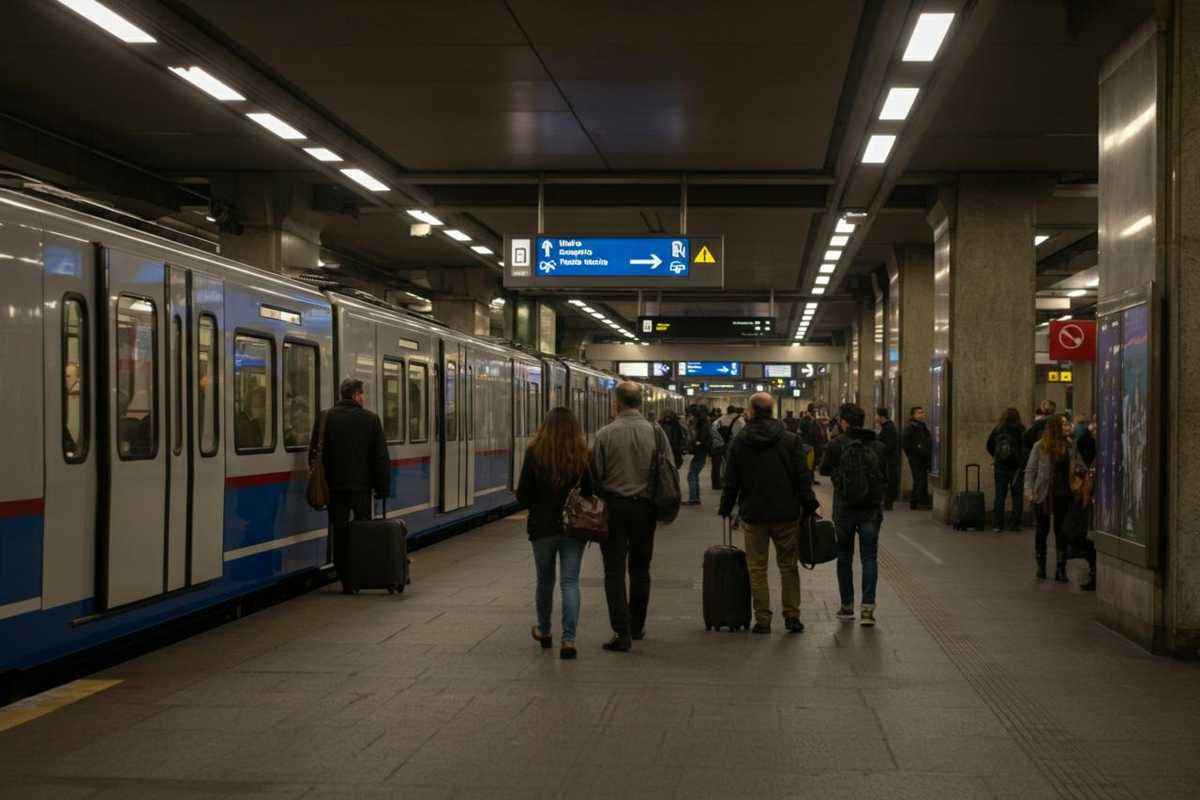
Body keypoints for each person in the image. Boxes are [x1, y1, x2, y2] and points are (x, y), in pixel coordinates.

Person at [719, 393, 819, 634]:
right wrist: (810, 505)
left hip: (754, 514)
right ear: (772, 411)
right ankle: (792, 616)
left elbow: (731, 480)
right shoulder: (790, 439)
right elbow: (802, 478)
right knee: (788, 566)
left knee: (757, 568)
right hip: (786, 513)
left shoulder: (740, 441)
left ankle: (762, 619)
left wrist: (726, 508)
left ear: (751, 411)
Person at [592, 382, 669, 652]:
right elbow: (669, 467)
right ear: (640, 403)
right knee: (640, 569)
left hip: (614, 508)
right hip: (645, 509)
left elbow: (596, 474)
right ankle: (637, 626)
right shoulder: (656, 432)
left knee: (613, 571)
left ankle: (621, 632)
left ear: (617, 404)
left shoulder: (604, 434)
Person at [516, 406, 593, 660]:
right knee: (570, 582)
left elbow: (523, 495)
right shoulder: (582, 454)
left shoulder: (534, 453)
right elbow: (590, 492)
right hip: (574, 528)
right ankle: (569, 640)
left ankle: (545, 631)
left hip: (542, 528)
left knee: (545, 580)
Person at [308, 377, 391, 592]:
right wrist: (382, 488)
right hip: (362, 489)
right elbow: (380, 457)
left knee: (340, 531)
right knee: (362, 531)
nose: (363, 397)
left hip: (334, 488)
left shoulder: (325, 418)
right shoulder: (371, 419)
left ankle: (345, 578)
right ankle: (361, 574)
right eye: (362, 394)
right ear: (355, 395)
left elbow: (314, 453)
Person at [820, 403, 887, 626]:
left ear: (844, 422)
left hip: (844, 509)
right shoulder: (878, 446)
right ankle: (867, 610)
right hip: (870, 510)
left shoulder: (836, 444)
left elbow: (824, 469)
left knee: (844, 557)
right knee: (869, 558)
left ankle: (847, 607)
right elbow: (886, 476)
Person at [1023, 413, 1085, 582]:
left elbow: (1081, 466)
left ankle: (1060, 569)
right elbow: (1030, 471)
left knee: (1062, 531)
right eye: (1064, 424)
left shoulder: (1071, 446)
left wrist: (1079, 470)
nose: (1067, 426)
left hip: (1064, 495)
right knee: (1042, 530)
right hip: (1044, 494)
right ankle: (1041, 567)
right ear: (1055, 427)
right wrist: (1029, 492)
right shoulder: (1040, 446)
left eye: (1067, 423)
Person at [986, 407, 1026, 532]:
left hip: (1000, 467)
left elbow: (989, 446)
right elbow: (1025, 448)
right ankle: (1015, 524)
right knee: (1017, 496)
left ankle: (997, 524)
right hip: (1016, 468)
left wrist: (997, 457)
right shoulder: (1021, 430)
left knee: (999, 495)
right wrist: (1021, 462)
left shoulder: (998, 429)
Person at [902, 406, 932, 509]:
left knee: (919, 479)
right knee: (920, 480)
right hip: (916, 458)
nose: (922, 415)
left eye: (922, 412)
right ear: (913, 415)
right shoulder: (911, 427)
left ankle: (914, 502)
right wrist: (912, 454)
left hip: (923, 457)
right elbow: (905, 444)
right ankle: (922, 502)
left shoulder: (922, 426)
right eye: (919, 413)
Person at [684, 406, 712, 505]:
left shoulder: (703, 425)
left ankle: (693, 498)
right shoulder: (703, 424)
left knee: (691, 475)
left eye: (691, 415)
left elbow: (700, 440)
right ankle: (696, 498)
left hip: (700, 452)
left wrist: (694, 445)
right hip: (701, 452)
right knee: (694, 475)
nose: (690, 417)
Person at [875, 408, 899, 511]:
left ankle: (888, 502)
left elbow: (888, 445)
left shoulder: (889, 428)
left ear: (881, 416)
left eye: (876, 415)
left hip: (888, 461)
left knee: (889, 481)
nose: (875, 418)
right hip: (886, 460)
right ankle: (886, 501)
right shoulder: (885, 427)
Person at [707, 410, 726, 490]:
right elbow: (716, 438)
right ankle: (717, 484)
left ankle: (715, 484)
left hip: (714, 448)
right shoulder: (714, 426)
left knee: (715, 467)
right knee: (717, 467)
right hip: (716, 448)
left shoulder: (712, 425)